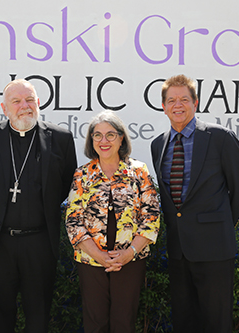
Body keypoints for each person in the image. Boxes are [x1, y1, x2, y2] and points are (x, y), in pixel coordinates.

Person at [0, 78, 77, 332]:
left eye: (29, 100)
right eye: (16, 101)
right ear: (4, 109)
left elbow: (65, 184)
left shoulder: (60, 138)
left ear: (38, 103)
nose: (24, 106)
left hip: (39, 243)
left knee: (38, 317)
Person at [150, 74, 239, 332]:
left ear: (196, 102)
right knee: (184, 321)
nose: (178, 105)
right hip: (179, 250)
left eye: (184, 98)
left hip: (215, 248)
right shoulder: (158, 144)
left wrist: (223, 224)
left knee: (216, 322)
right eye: (171, 100)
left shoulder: (220, 138)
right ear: (163, 106)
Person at [65, 110, 160, 333]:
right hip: (90, 261)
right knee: (95, 323)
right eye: (97, 135)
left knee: (124, 323)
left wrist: (130, 253)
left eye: (110, 134)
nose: (103, 141)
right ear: (91, 140)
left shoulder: (139, 172)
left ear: (121, 138)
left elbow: (152, 216)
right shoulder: (82, 175)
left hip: (130, 261)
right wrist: (98, 255)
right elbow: (73, 221)